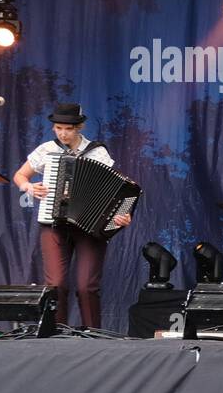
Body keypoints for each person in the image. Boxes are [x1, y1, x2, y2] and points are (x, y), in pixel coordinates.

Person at [11, 103, 132, 329]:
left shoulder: (97, 152)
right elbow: (19, 175)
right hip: (53, 223)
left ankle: (94, 335)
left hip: (89, 226)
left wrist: (121, 214)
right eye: (58, 128)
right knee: (55, 284)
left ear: (80, 127)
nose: (62, 133)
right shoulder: (46, 150)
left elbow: (114, 189)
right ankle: (59, 334)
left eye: (68, 129)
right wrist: (28, 186)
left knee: (87, 286)